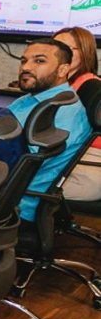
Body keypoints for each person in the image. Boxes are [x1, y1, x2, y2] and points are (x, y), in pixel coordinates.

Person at [8, 37, 91, 221]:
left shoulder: (61, 110)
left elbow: (21, 167)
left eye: (39, 61)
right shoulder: (28, 99)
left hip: (11, 205)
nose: (26, 67)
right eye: (24, 61)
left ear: (63, 70)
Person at [52, 26, 101, 201]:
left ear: (85, 52)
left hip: (85, 169)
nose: (57, 54)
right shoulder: (65, 86)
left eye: (65, 48)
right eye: (53, 47)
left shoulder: (92, 88)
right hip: (69, 164)